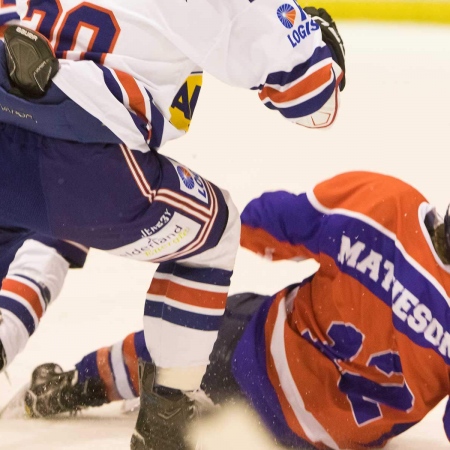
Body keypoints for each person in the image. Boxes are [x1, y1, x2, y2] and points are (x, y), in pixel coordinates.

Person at [0, 1, 346, 448]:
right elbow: (313, 98)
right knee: (212, 234)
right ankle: (168, 409)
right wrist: (315, 39)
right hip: (90, 159)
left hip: (12, 123)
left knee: (44, 226)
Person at [16, 170, 450, 449]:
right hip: (336, 440)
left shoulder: (384, 206)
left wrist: (217, 232)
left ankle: (78, 384)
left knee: (186, 336)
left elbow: (268, 222)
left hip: (256, 363)